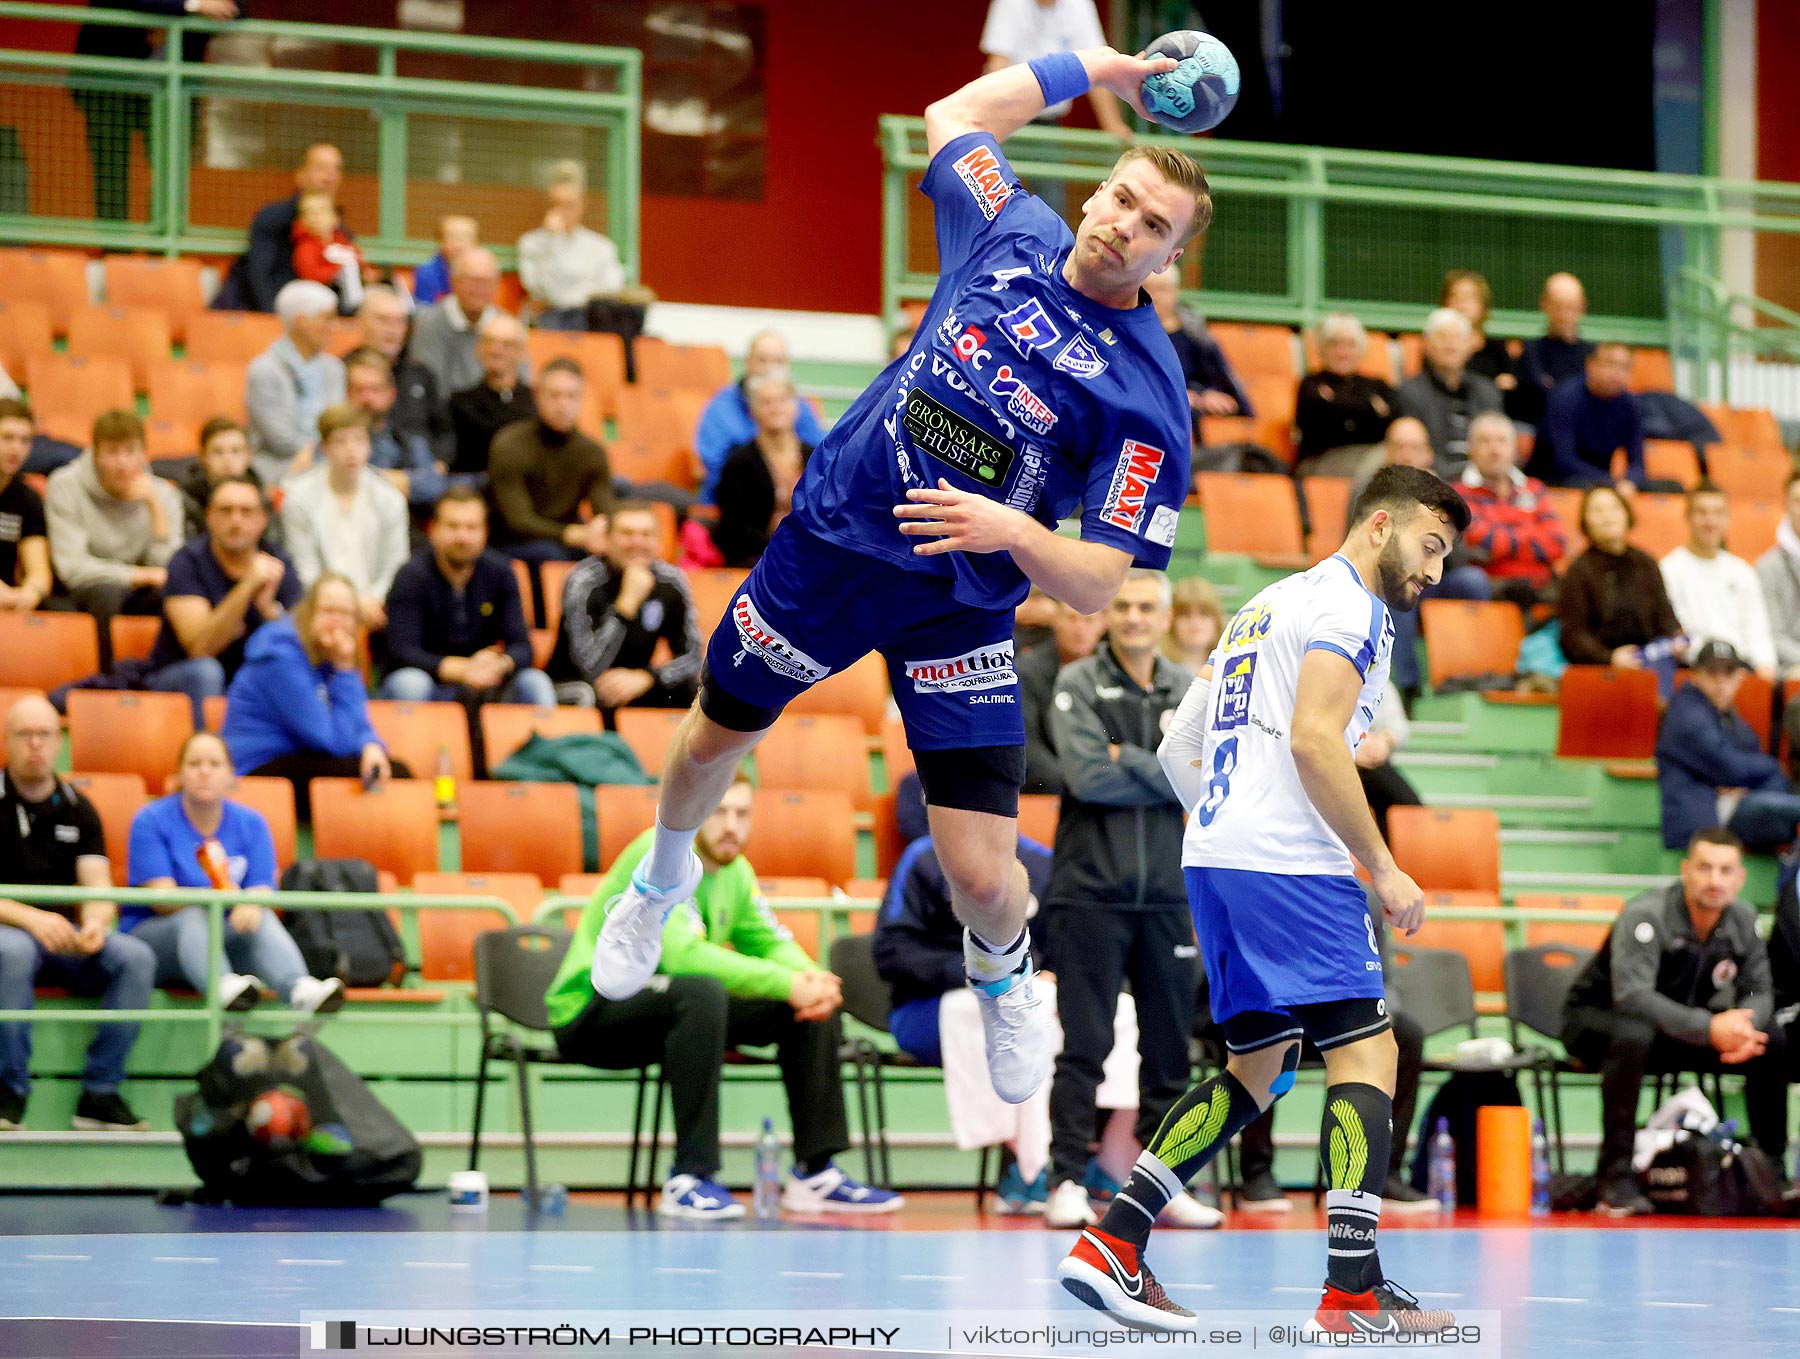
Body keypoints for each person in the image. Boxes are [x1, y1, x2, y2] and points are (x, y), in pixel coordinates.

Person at [591, 56, 1203, 1137]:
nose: (1120, 224)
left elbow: (1106, 578)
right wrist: (1099, 65)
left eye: (1151, 223)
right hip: (832, 547)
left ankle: (1005, 975)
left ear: (1169, 257)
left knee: (979, 873)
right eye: (1117, 197)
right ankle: (663, 880)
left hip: (959, 606)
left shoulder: (1147, 394)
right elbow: (953, 112)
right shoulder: (1008, 231)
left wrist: (1015, 532)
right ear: (1095, 193)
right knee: (704, 748)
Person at [1058, 466, 1472, 1337]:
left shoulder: (1268, 602)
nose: (1434, 571)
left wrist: (1228, 818)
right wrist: (1383, 866)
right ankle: (1352, 1289)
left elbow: (1180, 742)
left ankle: (1113, 1242)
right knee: (1367, 1050)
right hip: (1291, 861)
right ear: (1380, 524)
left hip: (1216, 855)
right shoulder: (1353, 607)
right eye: (1430, 546)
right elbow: (1319, 742)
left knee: (1259, 1066)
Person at [545, 772, 901, 1216]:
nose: (731, 826)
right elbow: (682, 957)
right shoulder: (661, 854)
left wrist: (812, 980)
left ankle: (815, 1172)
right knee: (701, 992)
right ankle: (690, 1177)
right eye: (719, 812)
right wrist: (785, 982)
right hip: (591, 1010)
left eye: (742, 813)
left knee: (807, 1006)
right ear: (695, 811)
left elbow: (769, 941)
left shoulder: (735, 872)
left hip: (672, 1008)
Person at [1042, 571, 1219, 1231]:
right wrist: (1163, 768)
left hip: (1170, 895)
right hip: (1089, 893)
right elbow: (1088, 778)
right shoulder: (1078, 684)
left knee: (1169, 1047)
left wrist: (1131, 757)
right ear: (1106, 612)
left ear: (1166, 613)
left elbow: (1203, 785)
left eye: (1147, 606)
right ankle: (1064, 1178)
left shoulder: (1188, 686)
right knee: (1084, 1044)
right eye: (1123, 605)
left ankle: (1165, 1184)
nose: (1135, 616)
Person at [1561, 829, 1792, 1215]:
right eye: (1704, 868)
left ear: (1740, 878)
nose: (1714, 880)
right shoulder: (1645, 915)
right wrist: (1708, 1029)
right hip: (1598, 1022)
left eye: (1725, 870)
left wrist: (1744, 1026)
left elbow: (1759, 988)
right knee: (1633, 1034)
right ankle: (1615, 1177)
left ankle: (1771, 1171)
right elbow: (1633, 997)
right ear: (1686, 871)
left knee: (1772, 1038)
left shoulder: (1743, 918)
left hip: (1676, 1027)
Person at [875, 825, 1056, 1212]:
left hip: (1030, 1000)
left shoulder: (1041, 863)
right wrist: (980, 972)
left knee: (1046, 1005)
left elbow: (1062, 947)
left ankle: (1073, 1162)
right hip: (925, 1012)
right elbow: (891, 951)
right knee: (999, 1004)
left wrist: (1033, 971)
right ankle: (1027, 1169)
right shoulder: (924, 857)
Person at [0, 695, 156, 1133]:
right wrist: (31, 918)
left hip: (64, 937)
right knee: (10, 954)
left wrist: (94, 922)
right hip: (9, 931)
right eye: (24, 734)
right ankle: (8, 1092)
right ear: (7, 742)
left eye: (44, 734)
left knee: (135, 957)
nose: (35, 744)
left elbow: (98, 887)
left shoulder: (79, 808)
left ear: (58, 742)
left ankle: (100, 1094)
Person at [1222, 897, 1435, 1215]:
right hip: (1283, 1007)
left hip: (1342, 1016)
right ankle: (1257, 1173)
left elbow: (1384, 976)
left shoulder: (1363, 898)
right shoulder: (1277, 887)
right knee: (1265, 1033)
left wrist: (1383, 1010)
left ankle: (1384, 1174)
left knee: (1406, 1035)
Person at [125, 731, 343, 1015]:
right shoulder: (150, 820)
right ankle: (222, 984)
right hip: (157, 941)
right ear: (179, 773)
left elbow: (262, 886)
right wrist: (220, 898)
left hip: (221, 937)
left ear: (231, 775)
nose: (204, 771)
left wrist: (251, 903)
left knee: (259, 915)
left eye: (214, 764)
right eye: (194, 764)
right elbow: (162, 899)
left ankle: (299, 989)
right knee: (193, 914)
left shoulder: (252, 823)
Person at [221, 572, 409, 819]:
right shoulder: (279, 657)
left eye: (346, 614)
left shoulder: (329, 654)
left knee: (388, 771)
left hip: (302, 756)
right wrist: (344, 668)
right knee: (392, 776)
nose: (337, 622)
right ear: (308, 613)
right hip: (257, 770)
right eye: (329, 611)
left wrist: (370, 745)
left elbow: (357, 723)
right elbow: (330, 741)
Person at [145, 475, 300, 727]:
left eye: (246, 511)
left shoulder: (279, 562)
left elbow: (303, 647)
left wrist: (270, 611)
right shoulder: (187, 562)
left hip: (248, 678)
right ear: (210, 517)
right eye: (225, 511)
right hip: (179, 678)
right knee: (206, 671)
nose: (235, 520)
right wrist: (247, 586)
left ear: (262, 519)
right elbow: (200, 647)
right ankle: (206, 760)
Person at [380, 486, 555, 709]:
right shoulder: (411, 575)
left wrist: (499, 664)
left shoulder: (500, 572)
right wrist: (462, 669)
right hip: (433, 683)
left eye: (472, 527)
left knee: (535, 682)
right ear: (433, 529)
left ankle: (546, 745)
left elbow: (522, 647)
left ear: (485, 532)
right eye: (453, 526)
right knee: (410, 683)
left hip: (486, 682)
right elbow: (402, 650)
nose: (462, 537)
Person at [1354, 417, 1490, 699]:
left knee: (1473, 581)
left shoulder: (1441, 492)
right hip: (1385, 582)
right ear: (1387, 452)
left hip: (1432, 579)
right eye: (1400, 447)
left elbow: (1458, 555)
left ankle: (1469, 679)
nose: (1407, 455)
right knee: (1398, 589)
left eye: (1415, 448)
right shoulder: (1369, 492)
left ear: (1428, 454)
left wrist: (1436, 508)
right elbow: (1362, 546)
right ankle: (1406, 687)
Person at [71, 1, 239, 220]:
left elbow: (234, 8)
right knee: (110, 171)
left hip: (172, 87)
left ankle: (159, 251)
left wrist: (212, 8)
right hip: (110, 81)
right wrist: (194, 5)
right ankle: (115, 251)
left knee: (171, 171)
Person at [45, 409, 183, 668]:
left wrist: (155, 510)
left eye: (131, 451)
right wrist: (137, 575)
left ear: (144, 454)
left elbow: (168, 569)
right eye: (112, 452)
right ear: (95, 454)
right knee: (107, 594)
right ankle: (107, 679)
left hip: (140, 588)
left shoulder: (164, 495)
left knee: (176, 596)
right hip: (86, 588)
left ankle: (164, 675)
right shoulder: (65, 485)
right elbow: (72, 568)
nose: (122, 463)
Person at [548, 501, 701, 717]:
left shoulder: (671, 582)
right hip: (574, 684)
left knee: (695, 693)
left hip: (637, 681)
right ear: (607, 539)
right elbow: (590, 666)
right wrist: (625, 606)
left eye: (646, 534)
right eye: (627, 534)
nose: (637, 542)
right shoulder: (583, 581)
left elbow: (693, 656)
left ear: (657, 542)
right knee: (586, 694)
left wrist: (648, 677)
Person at [1655, 641, 1800, 853]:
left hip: (1728, 808)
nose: (1721, 682)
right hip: (1701, 822)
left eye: (1728, 674)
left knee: (1783, 801)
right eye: (1713, 674)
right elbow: (1731, 767)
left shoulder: (1723, 711)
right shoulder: (1687, 713)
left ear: (1739, 676)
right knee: (1786, 808)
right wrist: (1768, 768)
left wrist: (1748, 779)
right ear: (1696, 676)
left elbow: (1751, 750)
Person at [279, 405, 409, 631]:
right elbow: (304, 568)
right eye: (340, 441)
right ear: (325, 447)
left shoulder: (389, 497)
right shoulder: (299, 498)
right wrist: (346, 605)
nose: (351, 450)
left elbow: (395, 563)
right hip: (321, 606)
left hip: (377, 606)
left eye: (359, 440)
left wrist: (373, 599)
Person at [485, 357, 612, 568]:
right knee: (552, 553)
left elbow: (604, 508)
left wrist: (604, 528)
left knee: (610, 555)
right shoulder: (510, 443)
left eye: (571, 396)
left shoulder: (592, 452)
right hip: (510, 541)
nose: (563, 404)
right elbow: (518, 520)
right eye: (554, 395)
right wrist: (571, 533)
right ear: (537, 396)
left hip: (567, 537)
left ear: (581, 399)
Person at [1557, 484, 1686, 671]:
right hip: (1600, 669)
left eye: (1613, 508)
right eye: (1597, 510)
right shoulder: (1578, 571)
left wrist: (1677, 639)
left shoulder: (1646, 563)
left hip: (1651, 663)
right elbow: (1574, 635)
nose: (1606, 516)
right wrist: (1610, 658)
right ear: (1585, 522)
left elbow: (1665, 618)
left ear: (1626, 514)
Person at [516, 162, 655, 330]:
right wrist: (553, 241)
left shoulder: (601, 246)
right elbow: (545, 291)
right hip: (551, 319)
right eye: (557, 204)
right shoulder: (532, 243)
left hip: (591, 319)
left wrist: (573, 299)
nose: (563, 211)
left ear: (582, 204)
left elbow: (611, 289)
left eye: (570, 205)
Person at [1660, 483, 1777, 679]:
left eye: (1718, 513)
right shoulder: (1669, 570)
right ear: (1687, 517)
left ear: (1728, 519)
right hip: (1693, 671)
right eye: (1702, 512)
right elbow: (1676, 637)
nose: (1710, 520)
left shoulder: (1742, 572)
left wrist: (1765, 666)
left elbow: (1758, 632)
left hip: (1742, 671)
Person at [694, 331, 827, 500]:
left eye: (778, 361)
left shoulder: (801, 406)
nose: (770, 367)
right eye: (762, 359)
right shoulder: (721, 406)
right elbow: (715, 465)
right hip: (736, 496)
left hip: (796, 500)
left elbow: (820, 456)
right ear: (748, 362)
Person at [979, 0, 1134, 143]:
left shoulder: (1079, 5)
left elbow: (1098, 67)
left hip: (1050, 122)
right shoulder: (1010, 3)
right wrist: (989, 119)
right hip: (1008, 120)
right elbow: (997, 67)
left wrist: (1113, 125)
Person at [1458, 411, 1566, 608]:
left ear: (1514, 449)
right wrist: (1531, 534)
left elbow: (1557, 542)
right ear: (1471, 449)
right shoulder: (1458, 493)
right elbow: (1479, 542)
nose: (1494, 449)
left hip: (1541, 588)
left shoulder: (1534, 488)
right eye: (1485, 441)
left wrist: (1502, 539)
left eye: (1501, 441)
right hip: (1493, 587)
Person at [221, 143, 346, 313]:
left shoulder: (341, 232)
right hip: (261, 314)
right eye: (321, 168)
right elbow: (260, 277)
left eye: (336, 169)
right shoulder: (272, 218)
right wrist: (276, 320)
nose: (329, 177)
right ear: (300, 175)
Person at [245, 280, 347, 485]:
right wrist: (323, 453)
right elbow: (280, 440)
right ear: (302, 321)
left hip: (329, 460)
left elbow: (339, 423)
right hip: (278, 466)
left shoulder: (334, 368)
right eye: (326, 319)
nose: (333, 327)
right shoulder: (264, 370)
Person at [710, 370, 814, 568]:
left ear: (797, 407)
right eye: (766, 402)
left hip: (811, 557)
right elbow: (734, 530)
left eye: (782, 400)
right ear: (752, 410)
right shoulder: (738, 463)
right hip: (756, 562)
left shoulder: (816, 457)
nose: (775, 408)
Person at [1141, 268, 1250, 441]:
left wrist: (1205, 394)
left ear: (1175, 292)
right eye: (1147, 289)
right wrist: (1181, 395)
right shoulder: (1132, 335)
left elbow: (1220, 379)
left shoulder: (1195, 335)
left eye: (1162, 289)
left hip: (1197, 407)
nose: (1155, 296)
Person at [1394, 308, 1501, 477]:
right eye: (1442, 337)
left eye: (1458, 338)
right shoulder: (1409, 392)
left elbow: (1498, 443)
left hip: (1481, 482)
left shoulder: (1487, 391)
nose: (1450, 344)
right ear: (1426, 344)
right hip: (1432, 481)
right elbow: (1413, 450)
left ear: (1470, 346)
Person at [356, 285, 453, 466]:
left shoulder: (421, 373)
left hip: (421, 470)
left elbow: (444, 430)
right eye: (383, 320)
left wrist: (440, 463)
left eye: (399, 322)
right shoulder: (345, 368)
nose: (392, 329)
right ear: (361, 322)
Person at [1019, 598, 1107, 797]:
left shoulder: (1114, 672)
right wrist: (1076, 784)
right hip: (1049, 790)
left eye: (1089, 620)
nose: (1079, 629)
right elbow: (1028, 745)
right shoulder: (1028, 671)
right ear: (1055, 620)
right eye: (1071, 618)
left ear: (1104, 623)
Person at [344, 348, 445, 518]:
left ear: (391, 394)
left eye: (375, 389)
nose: (367, 398)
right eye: (359, 389)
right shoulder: (335, 441)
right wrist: (389, 479)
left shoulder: (409, 440)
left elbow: (433, 485)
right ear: (347, 394)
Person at [1294, 314, 1395, 475]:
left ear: (1361, 349)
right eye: (1334, 344)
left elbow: (1394, 425)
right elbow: (1318, 430)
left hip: (1372, 456)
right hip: (1323, 462)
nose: (1342, 352)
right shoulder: (1311, 383)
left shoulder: (1377, 385)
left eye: (1350, 345)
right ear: (1322, 348)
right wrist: (1370, 409)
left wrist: (1336, 404)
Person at [1538, 342, 1645, 488]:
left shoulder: (1631, 405)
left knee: (1667, 488)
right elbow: (1564, 460)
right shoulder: (1566, 397)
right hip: (1558, 480)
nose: (1616, 373)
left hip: (1604, 482)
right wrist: (1611, 483)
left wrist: (1629, 482)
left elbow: (1637, 462)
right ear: (1590, 364)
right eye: (1610, 364)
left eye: (1624, 367)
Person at [408, 247, 506, 400]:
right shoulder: (429, 322)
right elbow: (429, 385)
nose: (478, 288)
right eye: (471, 280)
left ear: (496, 285)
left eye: (485, 281)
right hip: (444, 415)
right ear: (453, 281)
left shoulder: (506, 326)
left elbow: (518, 383)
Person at [447, 314, 536, 478]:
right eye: (489, 341)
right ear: (478, 348)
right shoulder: (458, 403)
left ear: (522, 352)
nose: (496, 350)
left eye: (507, 344)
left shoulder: (537, 403)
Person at [1514, 272, 1594, 426]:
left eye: (1570, 307)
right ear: (1544, 305)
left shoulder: (1592, 356)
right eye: (1557, 306)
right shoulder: (1530, 351)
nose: (1564, 315)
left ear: (1582, 308)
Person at [172, 417, 267, 543]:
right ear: (203, 457)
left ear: (248, 456)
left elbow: (272, 545)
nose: (227, 460)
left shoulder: (261, 496)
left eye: (236, 451)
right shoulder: (185, 499)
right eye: (218, 452)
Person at [0, 399, 50, 613]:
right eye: (7, 438)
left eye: (25, 440)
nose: (16, 448)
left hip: (8, 599)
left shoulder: (27, 498)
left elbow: (38, 569)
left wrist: (31, 593)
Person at [291, 189, 366, 315]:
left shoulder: (342, 242)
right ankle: (355, 306)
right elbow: (311, 276)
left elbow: (359, 261)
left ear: (335, 217)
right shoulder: (305, 246)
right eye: (308, 213)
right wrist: (337, 269)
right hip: (321, 296)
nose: (314, 217)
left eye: (321, 211)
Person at [1439, 270, 1515, 390]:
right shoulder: (1436, 345)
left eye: (1468, 298)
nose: (1461, 305)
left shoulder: (1496, 348)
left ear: (1483, 305)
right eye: (1455, 297)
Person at [1757, 472, 1800, 681]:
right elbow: (1774, 635)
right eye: (1798, 500)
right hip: (1789, 666)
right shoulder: (1768, 567)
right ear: (1786, 504)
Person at [411, 215, 478, 309]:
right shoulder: (427, 273)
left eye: (466, 237)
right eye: (453, 237)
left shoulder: (481, 274)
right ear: (440, 241)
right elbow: (423, 313)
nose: (460, 244)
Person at [1161, 576, 1224, 672]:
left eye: (1204, 614)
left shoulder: (1230, 672)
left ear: (1217, 620)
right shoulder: (1158, 669)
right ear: (1171, 621)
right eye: (1185, 614)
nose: (1195, 622)